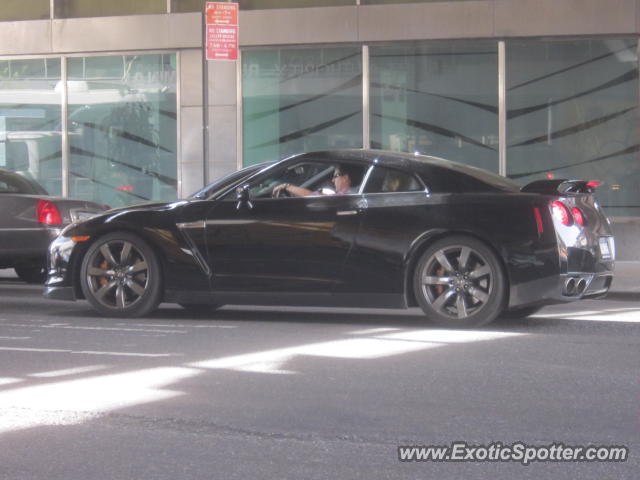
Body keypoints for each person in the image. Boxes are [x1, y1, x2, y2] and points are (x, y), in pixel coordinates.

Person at [272, 165, 354, 197]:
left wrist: (286, 186)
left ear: (345, 178)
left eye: (336, 176)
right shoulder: (353, 193)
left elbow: (313, 196)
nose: (333, 180)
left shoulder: (346, 195)